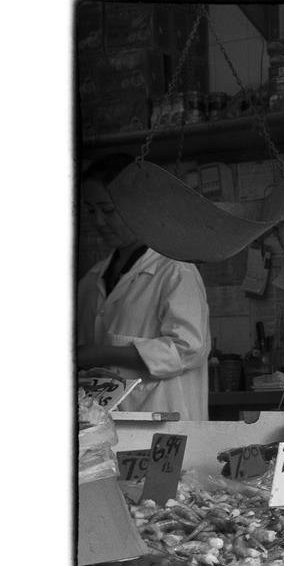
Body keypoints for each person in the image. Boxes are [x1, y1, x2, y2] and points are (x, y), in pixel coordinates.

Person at [77, 153, 211, 420]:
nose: (99, 222)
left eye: (108, 210)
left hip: (166, 422)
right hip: (109, 425)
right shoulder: (91, 280)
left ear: (138, 206)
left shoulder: (175, 270)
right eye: (91, 211)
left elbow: (188, 349)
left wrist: (101, 353)